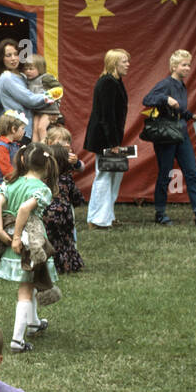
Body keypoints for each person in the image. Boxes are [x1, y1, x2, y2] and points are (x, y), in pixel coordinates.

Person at [0, 142, 61, 353]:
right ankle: (17, 341)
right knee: (25, 288)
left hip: (12, 237)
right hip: (28, 241)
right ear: (48, 166)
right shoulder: (42, 189)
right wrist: (15, 238)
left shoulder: (11, 183)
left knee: (29, 283)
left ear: (23, 160)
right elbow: (24, 209)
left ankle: (33, 323)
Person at [143, 49, 196, 225]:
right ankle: (160, 213)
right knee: (165, 173)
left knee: (192, 172)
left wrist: (192, 116)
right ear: (174, 66)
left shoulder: (182, 86)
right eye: (184, 65)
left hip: (181, 132)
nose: (188, 68)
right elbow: (147, 99)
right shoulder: (165, 84)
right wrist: (165, 99)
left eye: (189, 65)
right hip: (166, 133)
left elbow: (180, 110)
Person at [83, 49, 130, 229]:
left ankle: (107, 216)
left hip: (111, 137)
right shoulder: (107, 83)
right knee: (103, 176)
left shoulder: (116, 81)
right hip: (104, 138)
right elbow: (106, 116)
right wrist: (113, 143)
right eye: (124, 61)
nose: (128, 65)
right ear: (114, 63)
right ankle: (97, 219)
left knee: (113, 176)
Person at [0, 39, 56, 142]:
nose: (13, 58)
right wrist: (51, 95)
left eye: (16, 54)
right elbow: (30, 100)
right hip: (19, 132)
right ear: (2, 59)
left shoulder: (21, 75)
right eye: (8, 55)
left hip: (29, 129)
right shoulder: (7, 78)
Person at [43, 125, 85, 273]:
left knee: (66, 235)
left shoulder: (69, 159)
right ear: (50, 143)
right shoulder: (44, 159)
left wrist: (76, 163)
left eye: (68, 141)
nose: (66, 145)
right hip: (56, 205)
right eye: (62, 142)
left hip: (59, 206)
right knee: (59, 236)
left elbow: (81, 168)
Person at [23, 54, 61, 145]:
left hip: (49, 110)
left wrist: (53, 100)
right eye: (26, 69)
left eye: (31, 69)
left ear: (40, 69)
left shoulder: (46, 78)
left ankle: (45, 147)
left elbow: (59, 89)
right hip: (38, 110)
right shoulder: (28, 81)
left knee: (41, 127)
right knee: (35, 129)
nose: (28, 71)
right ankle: (34, 148)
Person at [0, 112, 25, 194]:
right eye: (22, 129)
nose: (24, 132)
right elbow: (6, 170)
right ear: (13, 129)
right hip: (0, 187)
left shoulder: (14, 145)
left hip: (11, 184)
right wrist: (20, 181)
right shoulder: (1, 147)